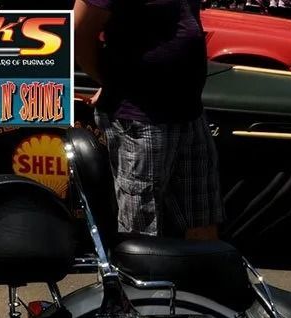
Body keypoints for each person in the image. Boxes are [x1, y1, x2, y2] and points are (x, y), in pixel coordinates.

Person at [74, 0, 224, 239]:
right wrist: (110, 80)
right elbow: (79, 33)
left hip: (191, 113)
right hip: (141, 118)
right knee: (142, 227)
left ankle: (201, 264)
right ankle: (140, 265)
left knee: (202, 218)